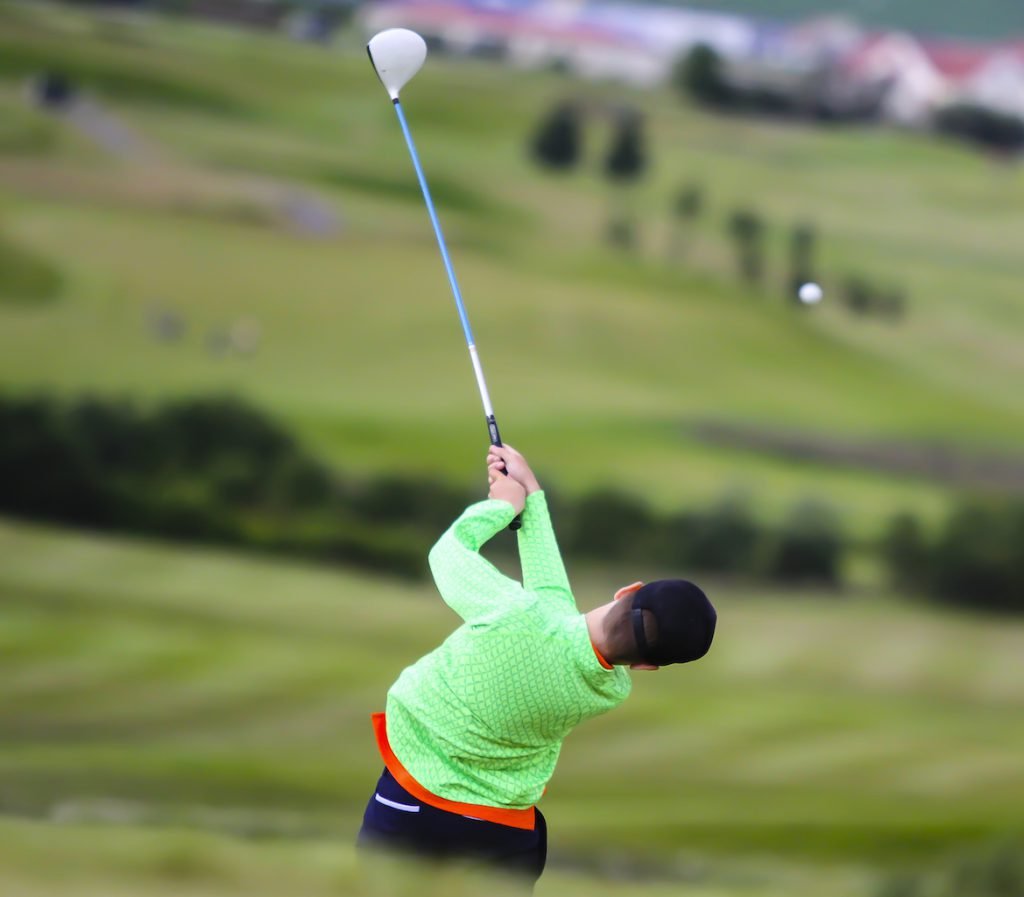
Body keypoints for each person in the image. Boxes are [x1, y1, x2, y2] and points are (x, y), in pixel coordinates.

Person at [357, 444, 717, 887]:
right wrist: (533, 497)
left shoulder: (516, 614)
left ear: (629, 590)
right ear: (646, 668)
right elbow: (555, 606)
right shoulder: (608, 688)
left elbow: (447, 553)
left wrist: (500, 507)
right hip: (504, 835)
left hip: (413, 803)